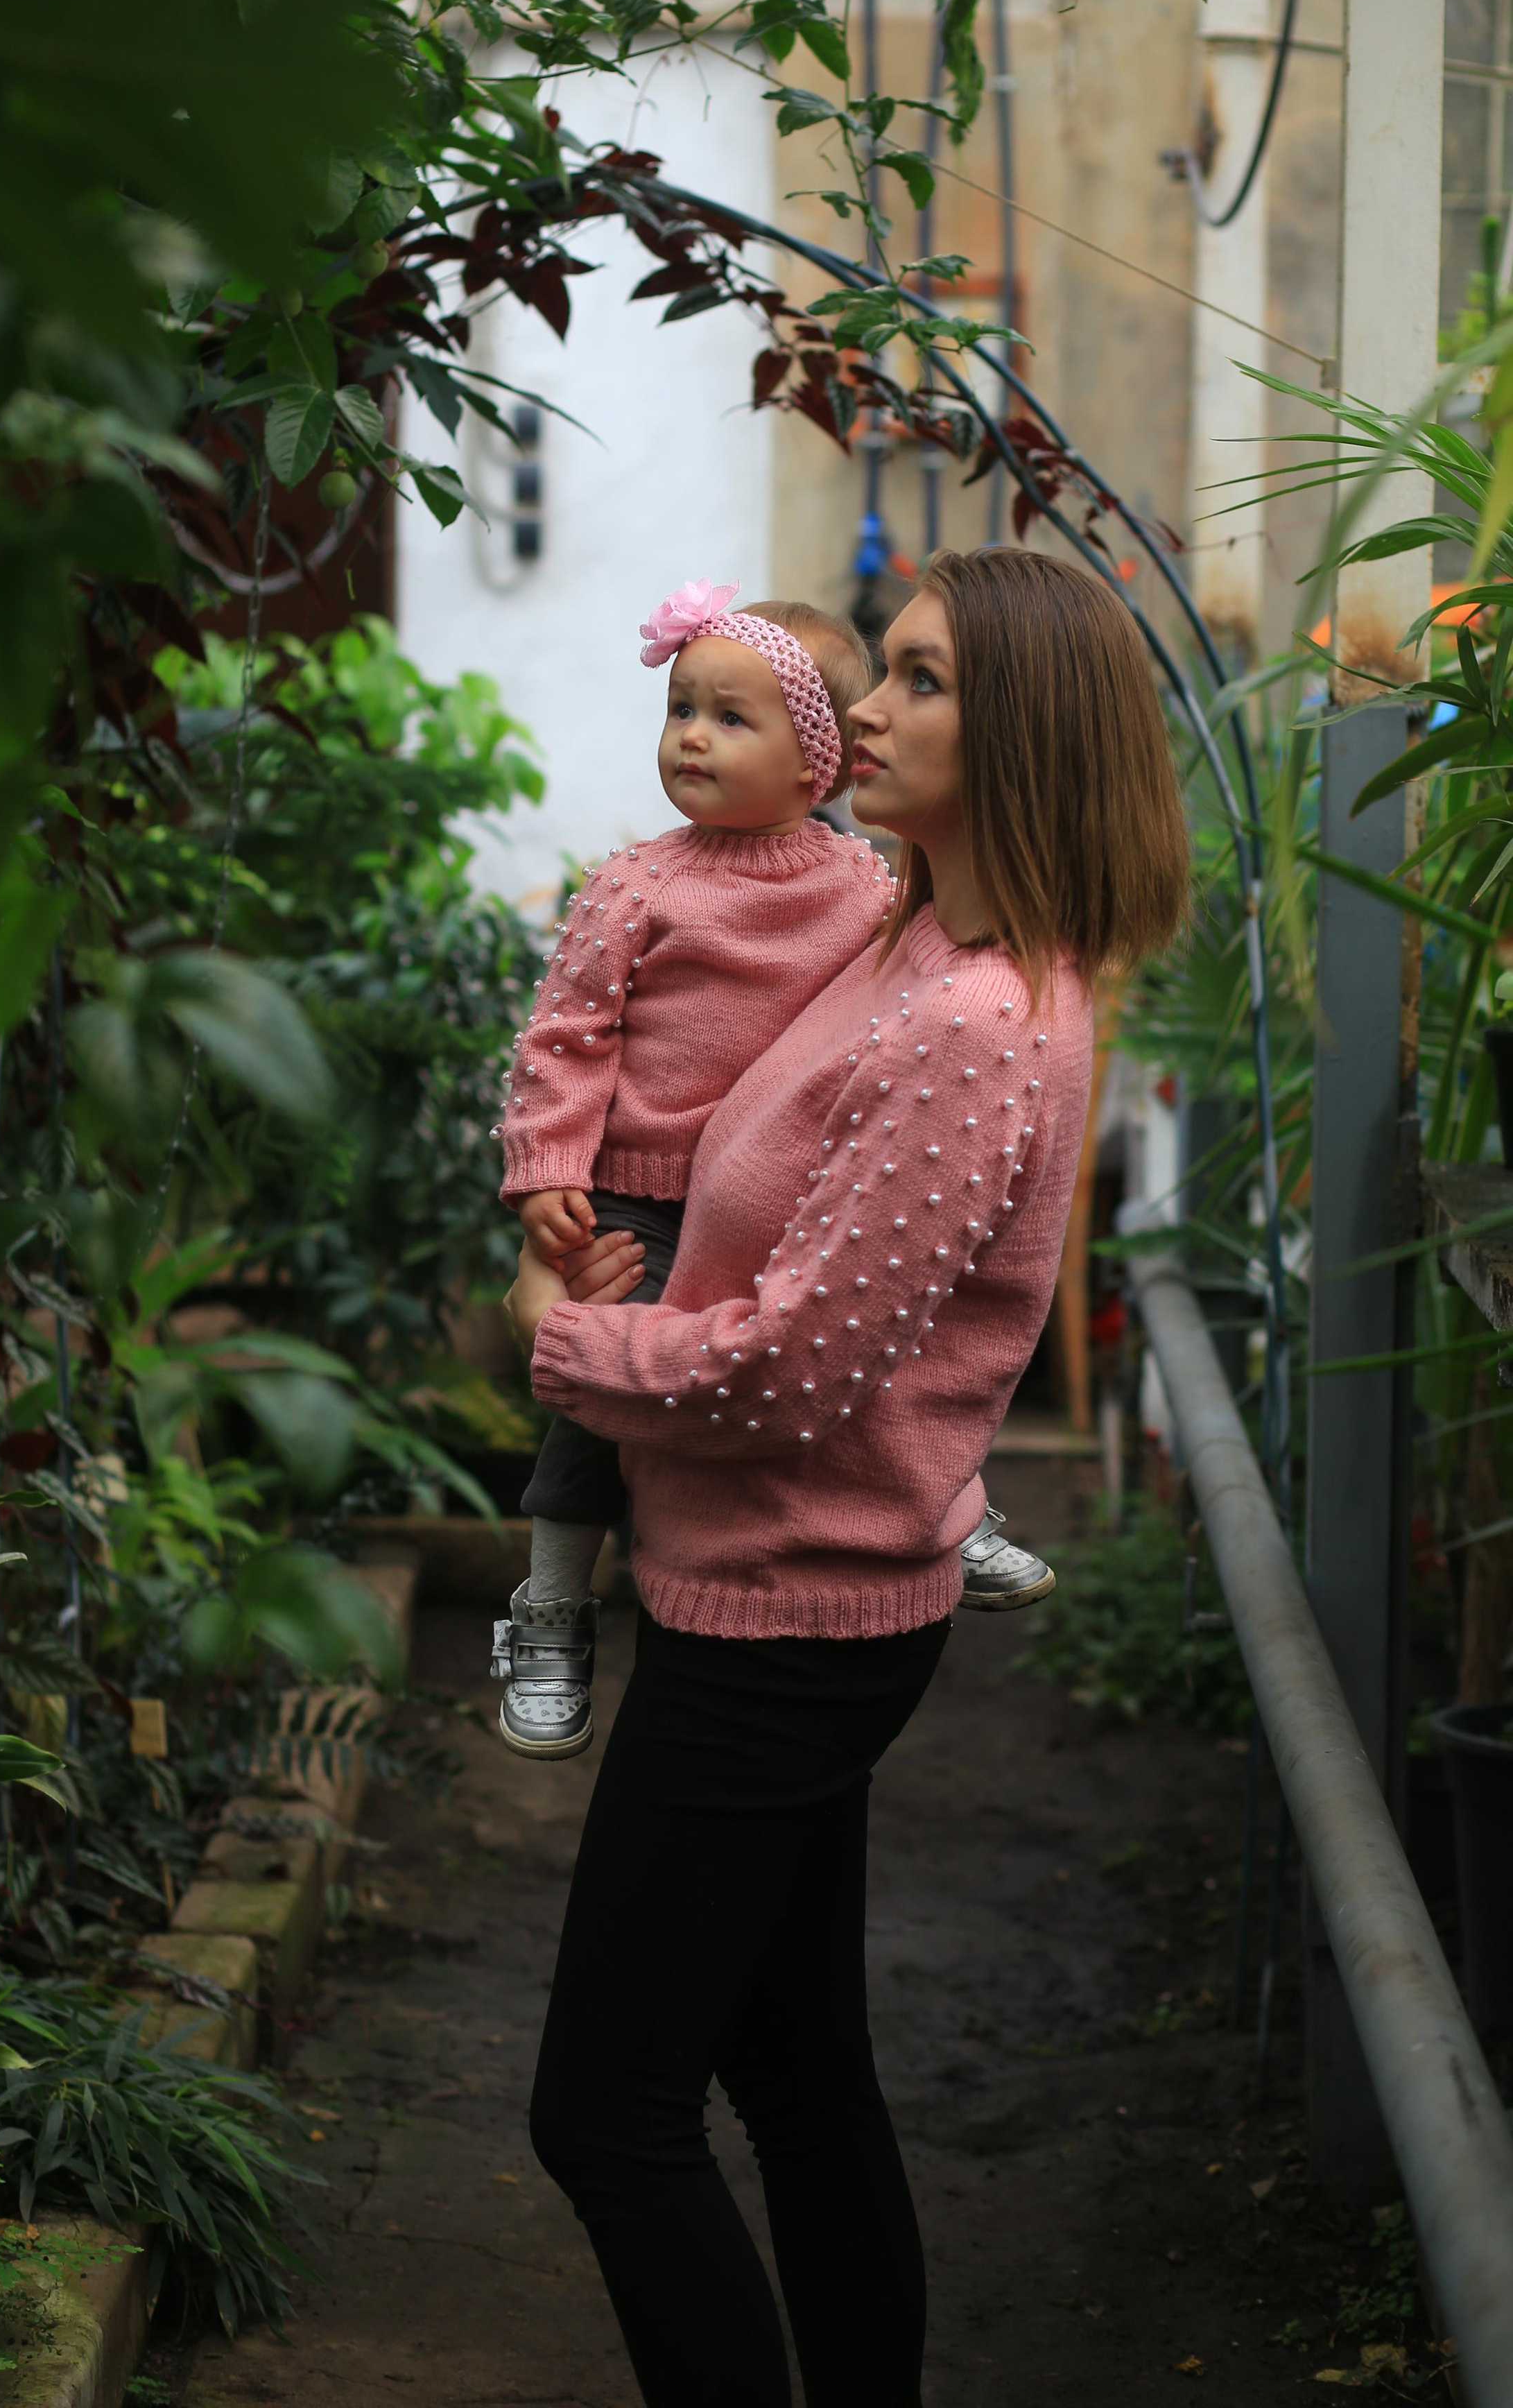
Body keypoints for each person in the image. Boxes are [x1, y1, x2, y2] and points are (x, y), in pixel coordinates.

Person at [503, 548, 1189, 2408]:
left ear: (1025, 737)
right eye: (879, 674)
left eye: (920, 683)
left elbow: (802, 1369)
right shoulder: (905, 935)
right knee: (798, 2085)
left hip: (784, 1618)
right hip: (778, 1588)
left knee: (606, 2117)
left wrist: (565, 1351)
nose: (864, 712)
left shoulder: (971, 1021)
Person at [490, 578, 1051, 1762]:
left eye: (730, 718)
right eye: (681, 708)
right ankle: (551, 1599)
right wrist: (547, 1166)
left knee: (885, 1314)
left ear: (816, 769)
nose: (691, 734)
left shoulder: (867, 889)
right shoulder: (636, 883)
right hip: (640, 1196)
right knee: (605, 1405)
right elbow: (565, 1037)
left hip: (788, 1184)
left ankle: (949, 1509)